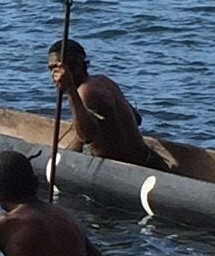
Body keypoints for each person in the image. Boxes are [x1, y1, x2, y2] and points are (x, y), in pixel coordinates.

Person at [48, 38, 152, 166]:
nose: (54, 75)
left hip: (120, 168)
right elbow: (136, 119)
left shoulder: (84, 92)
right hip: (145, 157)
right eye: (51, 69)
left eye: (57, 70)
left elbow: (86, 136)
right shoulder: (103, 80)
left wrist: (70, 89)